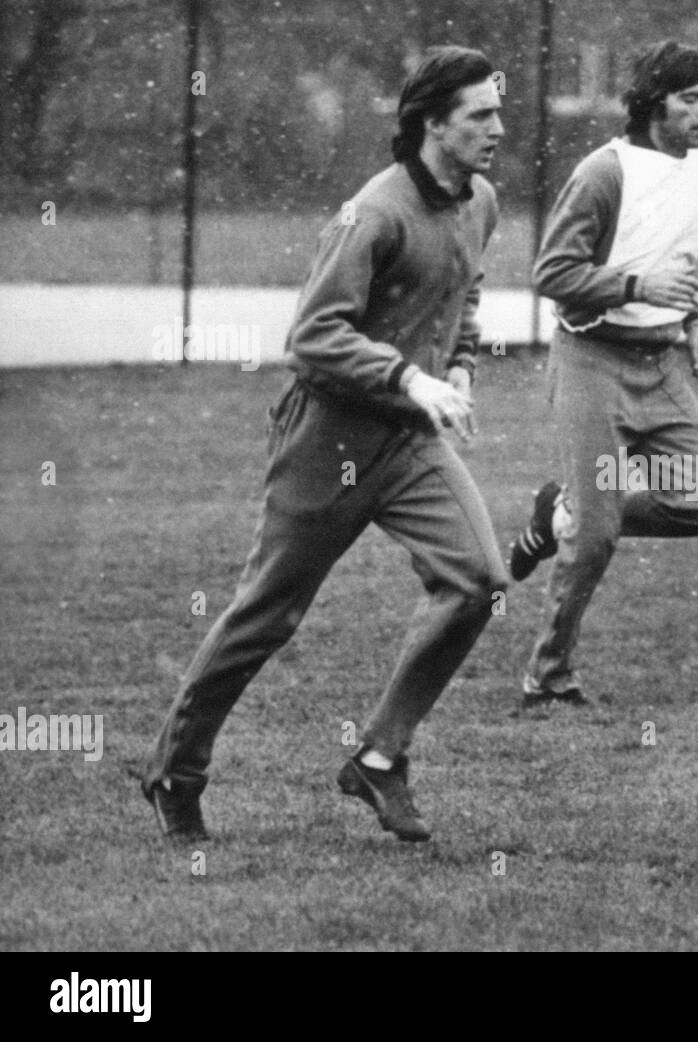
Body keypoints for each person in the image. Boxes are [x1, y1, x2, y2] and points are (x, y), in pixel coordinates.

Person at [139, 46, 509, 843]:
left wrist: (463, 368)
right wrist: (409, 379)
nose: (497, 128)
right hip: (326, 439)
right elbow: (312, 337)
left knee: (479, 580)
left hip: (410, 444)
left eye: (498, 111)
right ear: (431, 124)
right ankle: (176, 768)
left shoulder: (481, 200)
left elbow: (465, 289)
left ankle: (377, 757)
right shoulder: (372, 214)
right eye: (480, 114)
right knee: (266, 615)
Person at [506, 40, 698, 708]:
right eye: (691, 99)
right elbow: (551, 273)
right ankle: (548, 677)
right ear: (653, 103)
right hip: (592, 360)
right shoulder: (604, 173)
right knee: (598, 536)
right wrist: (636, 284)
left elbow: (677, 259)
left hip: (659, 363)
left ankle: (562, 515)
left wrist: (692, 321)